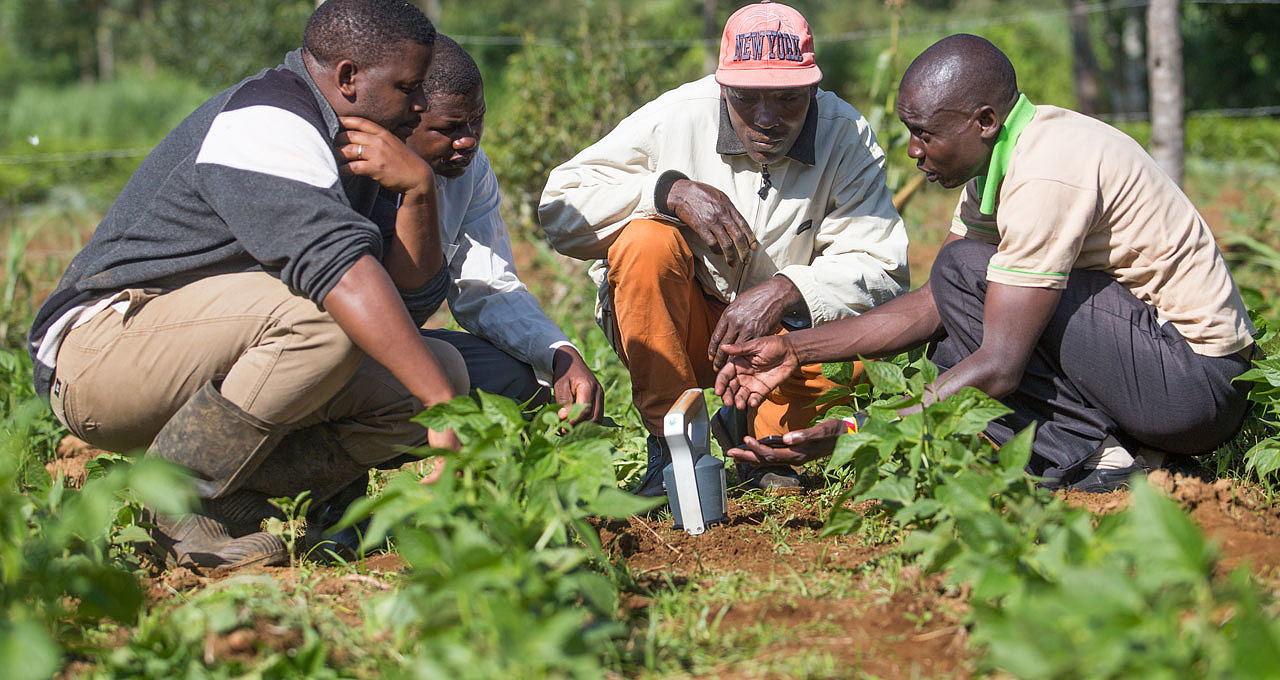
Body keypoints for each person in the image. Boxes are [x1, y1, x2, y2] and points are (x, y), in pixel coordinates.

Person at [27, 0, 469, 571]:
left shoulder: (365, 142)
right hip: (100, 353)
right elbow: (338, 273)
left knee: (436, 371)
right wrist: (441, 407)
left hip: (206, 354)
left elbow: (402, 312)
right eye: (409, 86)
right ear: (348, 78)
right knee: (329, 320)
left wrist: (418, 192)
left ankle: (241, 501)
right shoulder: (269, 120)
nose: (419, 103)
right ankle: (176, 500)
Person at [716, 34, 1257, 492]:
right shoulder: (997, 162)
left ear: (984, 120)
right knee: (952, 330)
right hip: (1150, 367)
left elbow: (999, 363)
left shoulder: (1048, 169)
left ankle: (1100, 459)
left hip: (1194, 384)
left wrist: (863, 431)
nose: (913, 150)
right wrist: (792, 349)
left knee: (966, 293)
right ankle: (1135, 455)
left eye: (925, 132)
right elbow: (933, 306)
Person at [539, 1, 909, 495]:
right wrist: (666, 193)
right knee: (645, 241)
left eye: (788, 100)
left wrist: (786, 289)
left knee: (857, 358)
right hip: (686, 325)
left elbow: (882, 268)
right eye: (746, 97)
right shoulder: (677, 118)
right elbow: (561, 206)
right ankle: (673, 443)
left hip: (782, 344)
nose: (766, 119)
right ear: (722, 86)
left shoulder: (845, 136)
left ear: (812, 89)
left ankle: (757, 439)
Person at [407, 35, 603, 419]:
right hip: (334, 348)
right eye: (448, 128)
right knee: (441, 369)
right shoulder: (356, 170)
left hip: (404, 345)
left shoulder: (470, 169)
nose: (468, 140)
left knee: (521, 381)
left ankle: (481, 480)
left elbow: (488, 287)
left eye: (476, 119)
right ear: (406, 116)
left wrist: (557, 351)